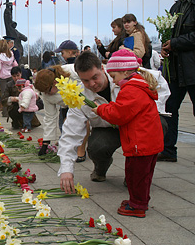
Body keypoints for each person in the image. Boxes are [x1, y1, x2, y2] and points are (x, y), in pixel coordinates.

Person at [58, 51, 170, 195]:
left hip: (136, 126)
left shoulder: (123, 73)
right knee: (98, 147)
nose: (91, 84)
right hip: (108, 130)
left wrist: (153, 110)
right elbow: (71, 133)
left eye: (95, 77)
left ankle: (137, 174)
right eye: (85, 81)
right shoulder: (79, 95)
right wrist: (66, 170)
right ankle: (101, 168)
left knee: (159, 124)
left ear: (102, 69)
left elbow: (158, 80)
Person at [92, 49, 163, 218]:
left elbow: (118, 114)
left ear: (125, 71)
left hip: (140, 143)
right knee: (143, 175)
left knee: (136, 175)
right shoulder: (139, 85)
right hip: (147, 142)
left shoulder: (131, 89)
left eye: (114, 76)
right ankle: (139, 199)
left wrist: (100, 109)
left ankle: (138, 205)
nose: (114, 82)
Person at [159, 0, 195, 162]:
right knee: (169, 109)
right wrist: (166, 46)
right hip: (175, 69)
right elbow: (170, 34)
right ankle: (168, 150)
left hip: (192, 68)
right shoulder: (175, 8)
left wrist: (175, 43)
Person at [35, 40, 87, 162]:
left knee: (81, 124)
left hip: (85, 103)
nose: (46, 94)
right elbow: (49, 117)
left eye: (48, 90)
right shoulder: (46, 94)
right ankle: (71, 148)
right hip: (68, 106)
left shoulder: (71, 70)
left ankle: (81, 150)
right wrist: (45, 143)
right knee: (66, 125)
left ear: (54, 82)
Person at [0, 39, 18, 117]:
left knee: (4, 95)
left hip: (2, 77)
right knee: (11, 93)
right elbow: (15, 64)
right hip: (10, 75)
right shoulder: (11, 53)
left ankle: (5, 112)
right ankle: (12, 111)